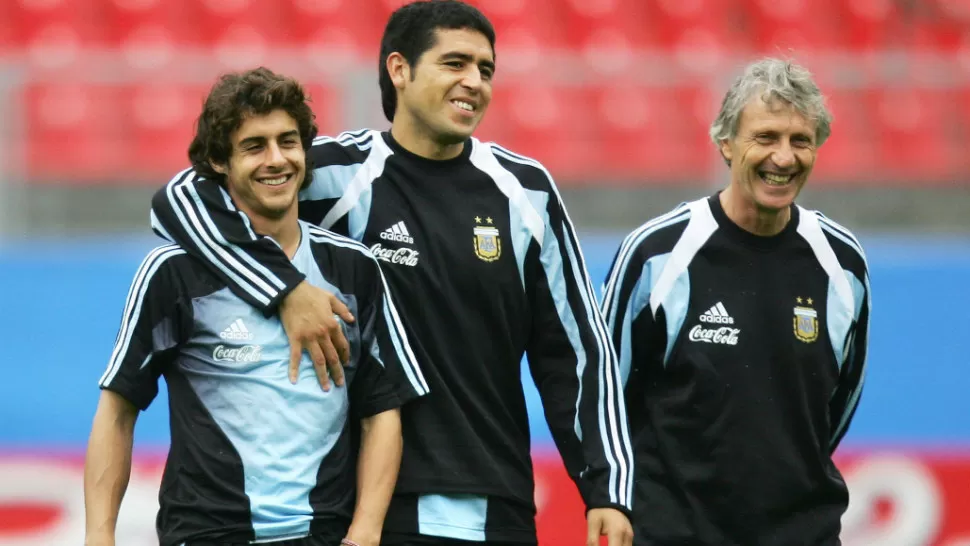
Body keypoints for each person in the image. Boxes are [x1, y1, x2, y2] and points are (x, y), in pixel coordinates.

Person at [147, 2, 634, 545]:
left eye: (486, 69)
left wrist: (606, 487)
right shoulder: (334, 176)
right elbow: (180, 198)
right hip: (368, 507)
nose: (474, 82)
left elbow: (575, 353)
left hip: (499, 499)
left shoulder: (526, 193)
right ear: (399, 70)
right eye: (454, 63)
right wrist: (285, 289)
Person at [84, 67, 426, 546]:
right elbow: (118, 410)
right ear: (220, 162)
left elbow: (383, 409)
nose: (276, 159)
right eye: (254, 146)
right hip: (206, 533)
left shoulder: (353, 268)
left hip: (322, 535)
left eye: (288, 141)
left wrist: (365, 533)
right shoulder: (173, 272)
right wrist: (99, 537)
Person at [601, 57, 871, 545]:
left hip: (802, 533)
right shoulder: (657, 255)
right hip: (674, 532)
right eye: (765, 137)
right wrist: (613, 497)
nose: (784, 157)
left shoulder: (843, 263)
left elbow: (838, 401)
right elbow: (603, 394)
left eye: (800, 141)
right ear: (725, 143)